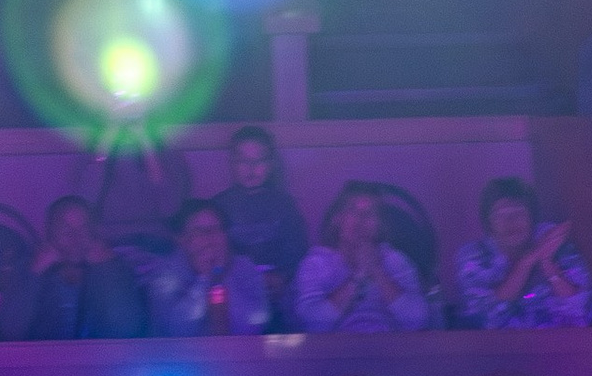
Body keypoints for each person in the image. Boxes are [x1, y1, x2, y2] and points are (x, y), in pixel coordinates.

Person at [449, 180, 592, 329]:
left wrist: (546, 262)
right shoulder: (475, 255)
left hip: (559, 341)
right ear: (488, 223)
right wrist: (528, 260)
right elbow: (486, 317)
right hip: (497, 344)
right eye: (500, 215)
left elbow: (582, 311)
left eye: (518, 212)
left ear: (532, 218)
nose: (510, 222)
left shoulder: (555, 243)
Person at [0, 197, 147, 342]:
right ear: (49, 234)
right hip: (40, 359)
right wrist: (34, 274)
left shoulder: (115, 268)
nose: (75, 238)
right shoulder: (28, 268)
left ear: (94, 233)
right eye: (65, 229)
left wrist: (106, 270)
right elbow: (10, 333)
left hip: (100, 359)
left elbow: (127, 330)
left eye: (84, 229)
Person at [291, 187, 429, 334]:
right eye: (353, 211)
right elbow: (311, 324)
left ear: (380, 224)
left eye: (370, 213)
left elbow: (418, 320)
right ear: (337, 219)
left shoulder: (395, 260)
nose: (361, 218)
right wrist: (357, 278)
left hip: (388, 345)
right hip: (335, 347)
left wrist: (377, 271)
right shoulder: (316, 262)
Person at [140, 203, 275, 338]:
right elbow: (176, 332)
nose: (210, 237)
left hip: (237, 349)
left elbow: (254, 327)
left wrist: (221, 278)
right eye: (199, 230)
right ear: (182, 239)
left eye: (216, 229)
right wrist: (203, 280)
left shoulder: (244, 267)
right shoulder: (165, 274)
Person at [210, 127, 307, 288]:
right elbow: (213, 255)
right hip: (234, 285)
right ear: (232, 163)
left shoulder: (284, 204)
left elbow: (297, 250)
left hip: (277, 284)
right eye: (243, 161)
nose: (251, 167)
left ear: (271, 165)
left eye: (259, 160)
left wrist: (282, 277)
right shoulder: (219, 206)